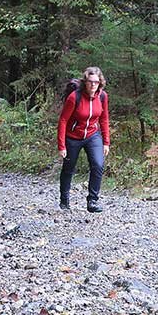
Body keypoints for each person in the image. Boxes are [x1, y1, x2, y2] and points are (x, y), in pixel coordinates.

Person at [57, 67, 110, 212]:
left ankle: (92, 201)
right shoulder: (74, 97)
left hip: (93, 135)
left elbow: (104, 119)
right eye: (90, 81)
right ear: (85, 82)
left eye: (96, 82)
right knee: (69, 168)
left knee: (98, 164)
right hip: (73, 136)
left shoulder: (102, 96)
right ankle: (64, 200)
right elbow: (63, 120)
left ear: (100, 83)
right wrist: (62, 145)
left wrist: (106, 142)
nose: (93, 85)